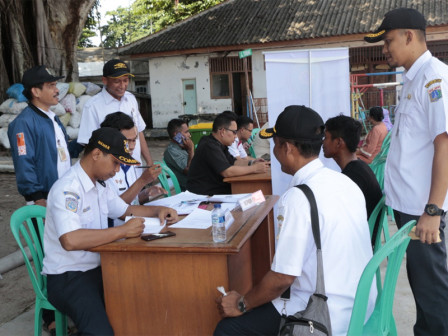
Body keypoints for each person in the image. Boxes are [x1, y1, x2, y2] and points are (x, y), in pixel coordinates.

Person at [214, 106, 375, 336]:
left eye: (275, 144)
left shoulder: (298, 198)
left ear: (286, 147)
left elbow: (283, 278)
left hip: (325, 314)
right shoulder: (344, 182)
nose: (275, 150)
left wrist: (241, 303)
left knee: (228, 329)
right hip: (360, 303)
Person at [42, 127, 178, 336]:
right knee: (100, 333)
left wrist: (159, 209)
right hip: (69, 276)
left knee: (146, 301)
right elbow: (70, 240)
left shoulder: (100, 186)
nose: (117, 170)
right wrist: (122, 231)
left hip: (100, 267)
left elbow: (126, 210)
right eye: (115, 162)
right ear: (96, 154)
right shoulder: (68, 189)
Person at [364, 7, 448, 334]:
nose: (384, 49)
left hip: (423, 212)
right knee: (422, 288)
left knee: (433, 291)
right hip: (409, 209)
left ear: (409, 36)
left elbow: (445, 145)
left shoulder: (434, 79)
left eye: (388, 41)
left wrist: (432, 210)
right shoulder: (413, 78)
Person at [7, 65, 83, 334]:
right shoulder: (22, 124)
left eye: (56, 85)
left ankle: (69, 308)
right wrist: (38, 201)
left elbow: (63, 152)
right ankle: (50, 318)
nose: (56, 90)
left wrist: (83, 143)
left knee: (65, 256)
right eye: (50, 85)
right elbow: (24, 164)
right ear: (35, 92)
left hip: (62, 200)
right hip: (44, 203)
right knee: (49, 259)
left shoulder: (52, 117)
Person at [77, 59, 153, 166]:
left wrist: (149, 162)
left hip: (134, 167)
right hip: (110, 171)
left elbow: (139, 132)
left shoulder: (131, 99)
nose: (122, 86)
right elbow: (89, 145)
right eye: (117, 81)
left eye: (125, 80)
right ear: (105, 80)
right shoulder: (92, 106)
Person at [100, 112, 165, 226]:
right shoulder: (103, 170)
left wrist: (145, 194)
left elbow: (132, 202)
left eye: (134, 140)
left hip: (134, 227)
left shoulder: (130, 164)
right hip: (114, 232)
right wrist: (142, 181)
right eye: (126, 141)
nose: (132, 146)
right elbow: (115, 209)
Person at [187, 113, 269, 195]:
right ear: (222, 131)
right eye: (234, 132)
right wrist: (254, 169)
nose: (236, 136)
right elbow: (227, 172)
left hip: (216, 190)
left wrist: (253, 163)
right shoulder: (209, 145)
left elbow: (234, 162)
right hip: (203, 195)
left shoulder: (220, 145)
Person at [323, 115, 383, 219]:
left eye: (326, 137)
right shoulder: (359, 167)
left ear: (338, 143)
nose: (322, 142)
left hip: (362, 233)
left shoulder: (352, 177)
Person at [163, 118, 195, 191]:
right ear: (177, 134)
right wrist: (191, 150)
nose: (189, 135)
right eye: (186, 132)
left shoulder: (183, 147)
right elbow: (190, 172)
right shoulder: (171, 151)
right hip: (189, 187)